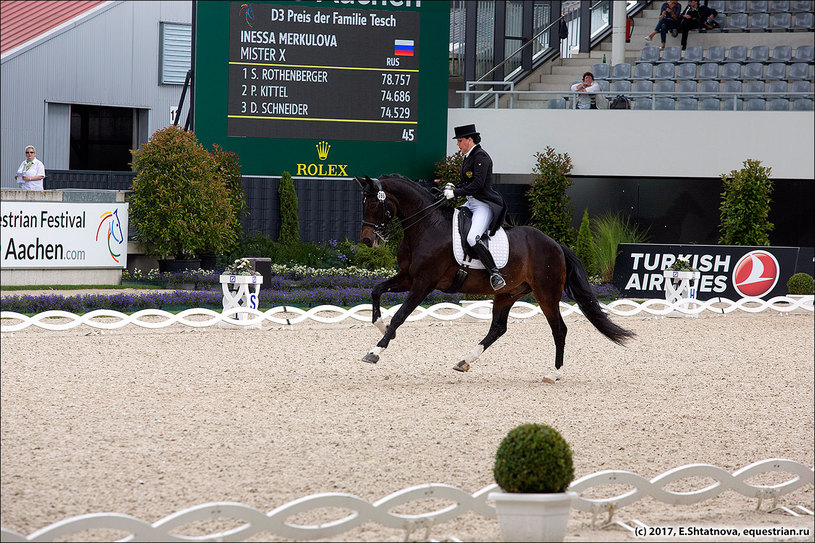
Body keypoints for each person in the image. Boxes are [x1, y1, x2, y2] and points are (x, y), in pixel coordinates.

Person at [444, 124, 508, 290]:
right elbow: (467, 183)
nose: (457, 145)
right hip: (470, 202)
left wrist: (456, 192)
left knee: (473, 237)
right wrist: (454, 186)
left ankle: (495, 274)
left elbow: (478, 185)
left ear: (469, 140)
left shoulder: (481, 157)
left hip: (482, 204)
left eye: (459, 141)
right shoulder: (468, 157)